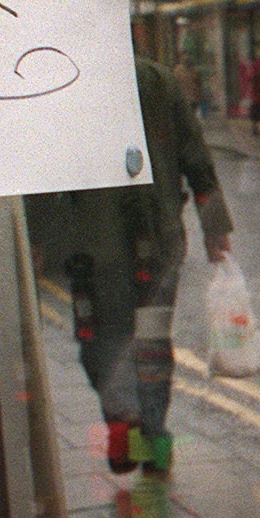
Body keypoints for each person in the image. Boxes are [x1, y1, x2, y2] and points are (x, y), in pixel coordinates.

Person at [31, 55, 232, 478]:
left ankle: (136, 430)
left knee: (108, 340)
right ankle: (142, 434)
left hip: (114, 245)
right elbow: (196, 156)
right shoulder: (132, 79)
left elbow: (193, 154)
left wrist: (38, 240)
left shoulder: (120, 80)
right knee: (143, 342)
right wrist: (215, 227)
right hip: (132, 245)